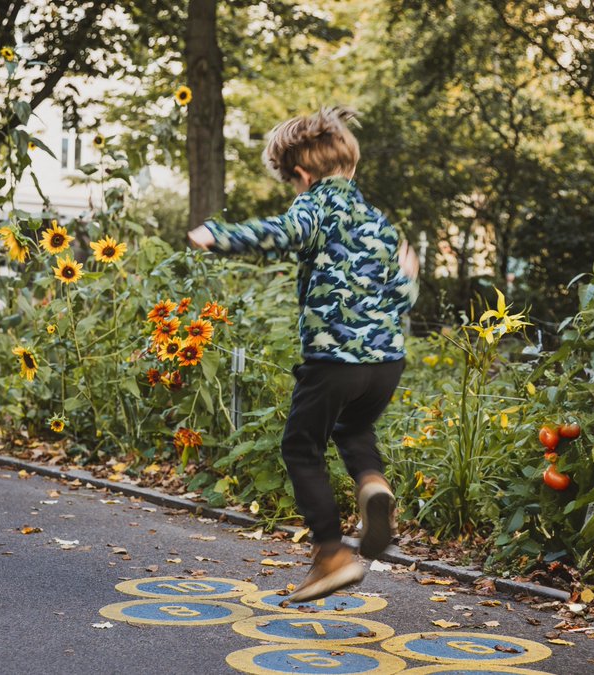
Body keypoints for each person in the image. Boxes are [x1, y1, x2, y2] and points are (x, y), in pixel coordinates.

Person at [187, 106, 419, 602]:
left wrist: (219, 236)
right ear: (350, 165)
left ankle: (332, 554)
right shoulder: (378, 222)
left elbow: (281, 234)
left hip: (334, 362)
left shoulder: (314, 205)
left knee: (300, 448)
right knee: (354, 428)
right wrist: (410, 276)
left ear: (301, 174)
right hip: (386, 365)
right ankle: (373, 485)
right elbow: (401, 293)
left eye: (293, 184)